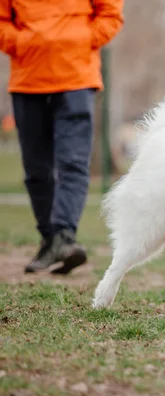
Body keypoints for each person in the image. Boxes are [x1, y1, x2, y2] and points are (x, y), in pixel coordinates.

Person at [0, 0, 124, 274]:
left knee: (73, 163)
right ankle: (52, 240)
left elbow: (111, 15)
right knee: (36, 169)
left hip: (77, 80)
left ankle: (64, 236)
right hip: (28, 81)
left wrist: (79, 41)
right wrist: (23, 42)